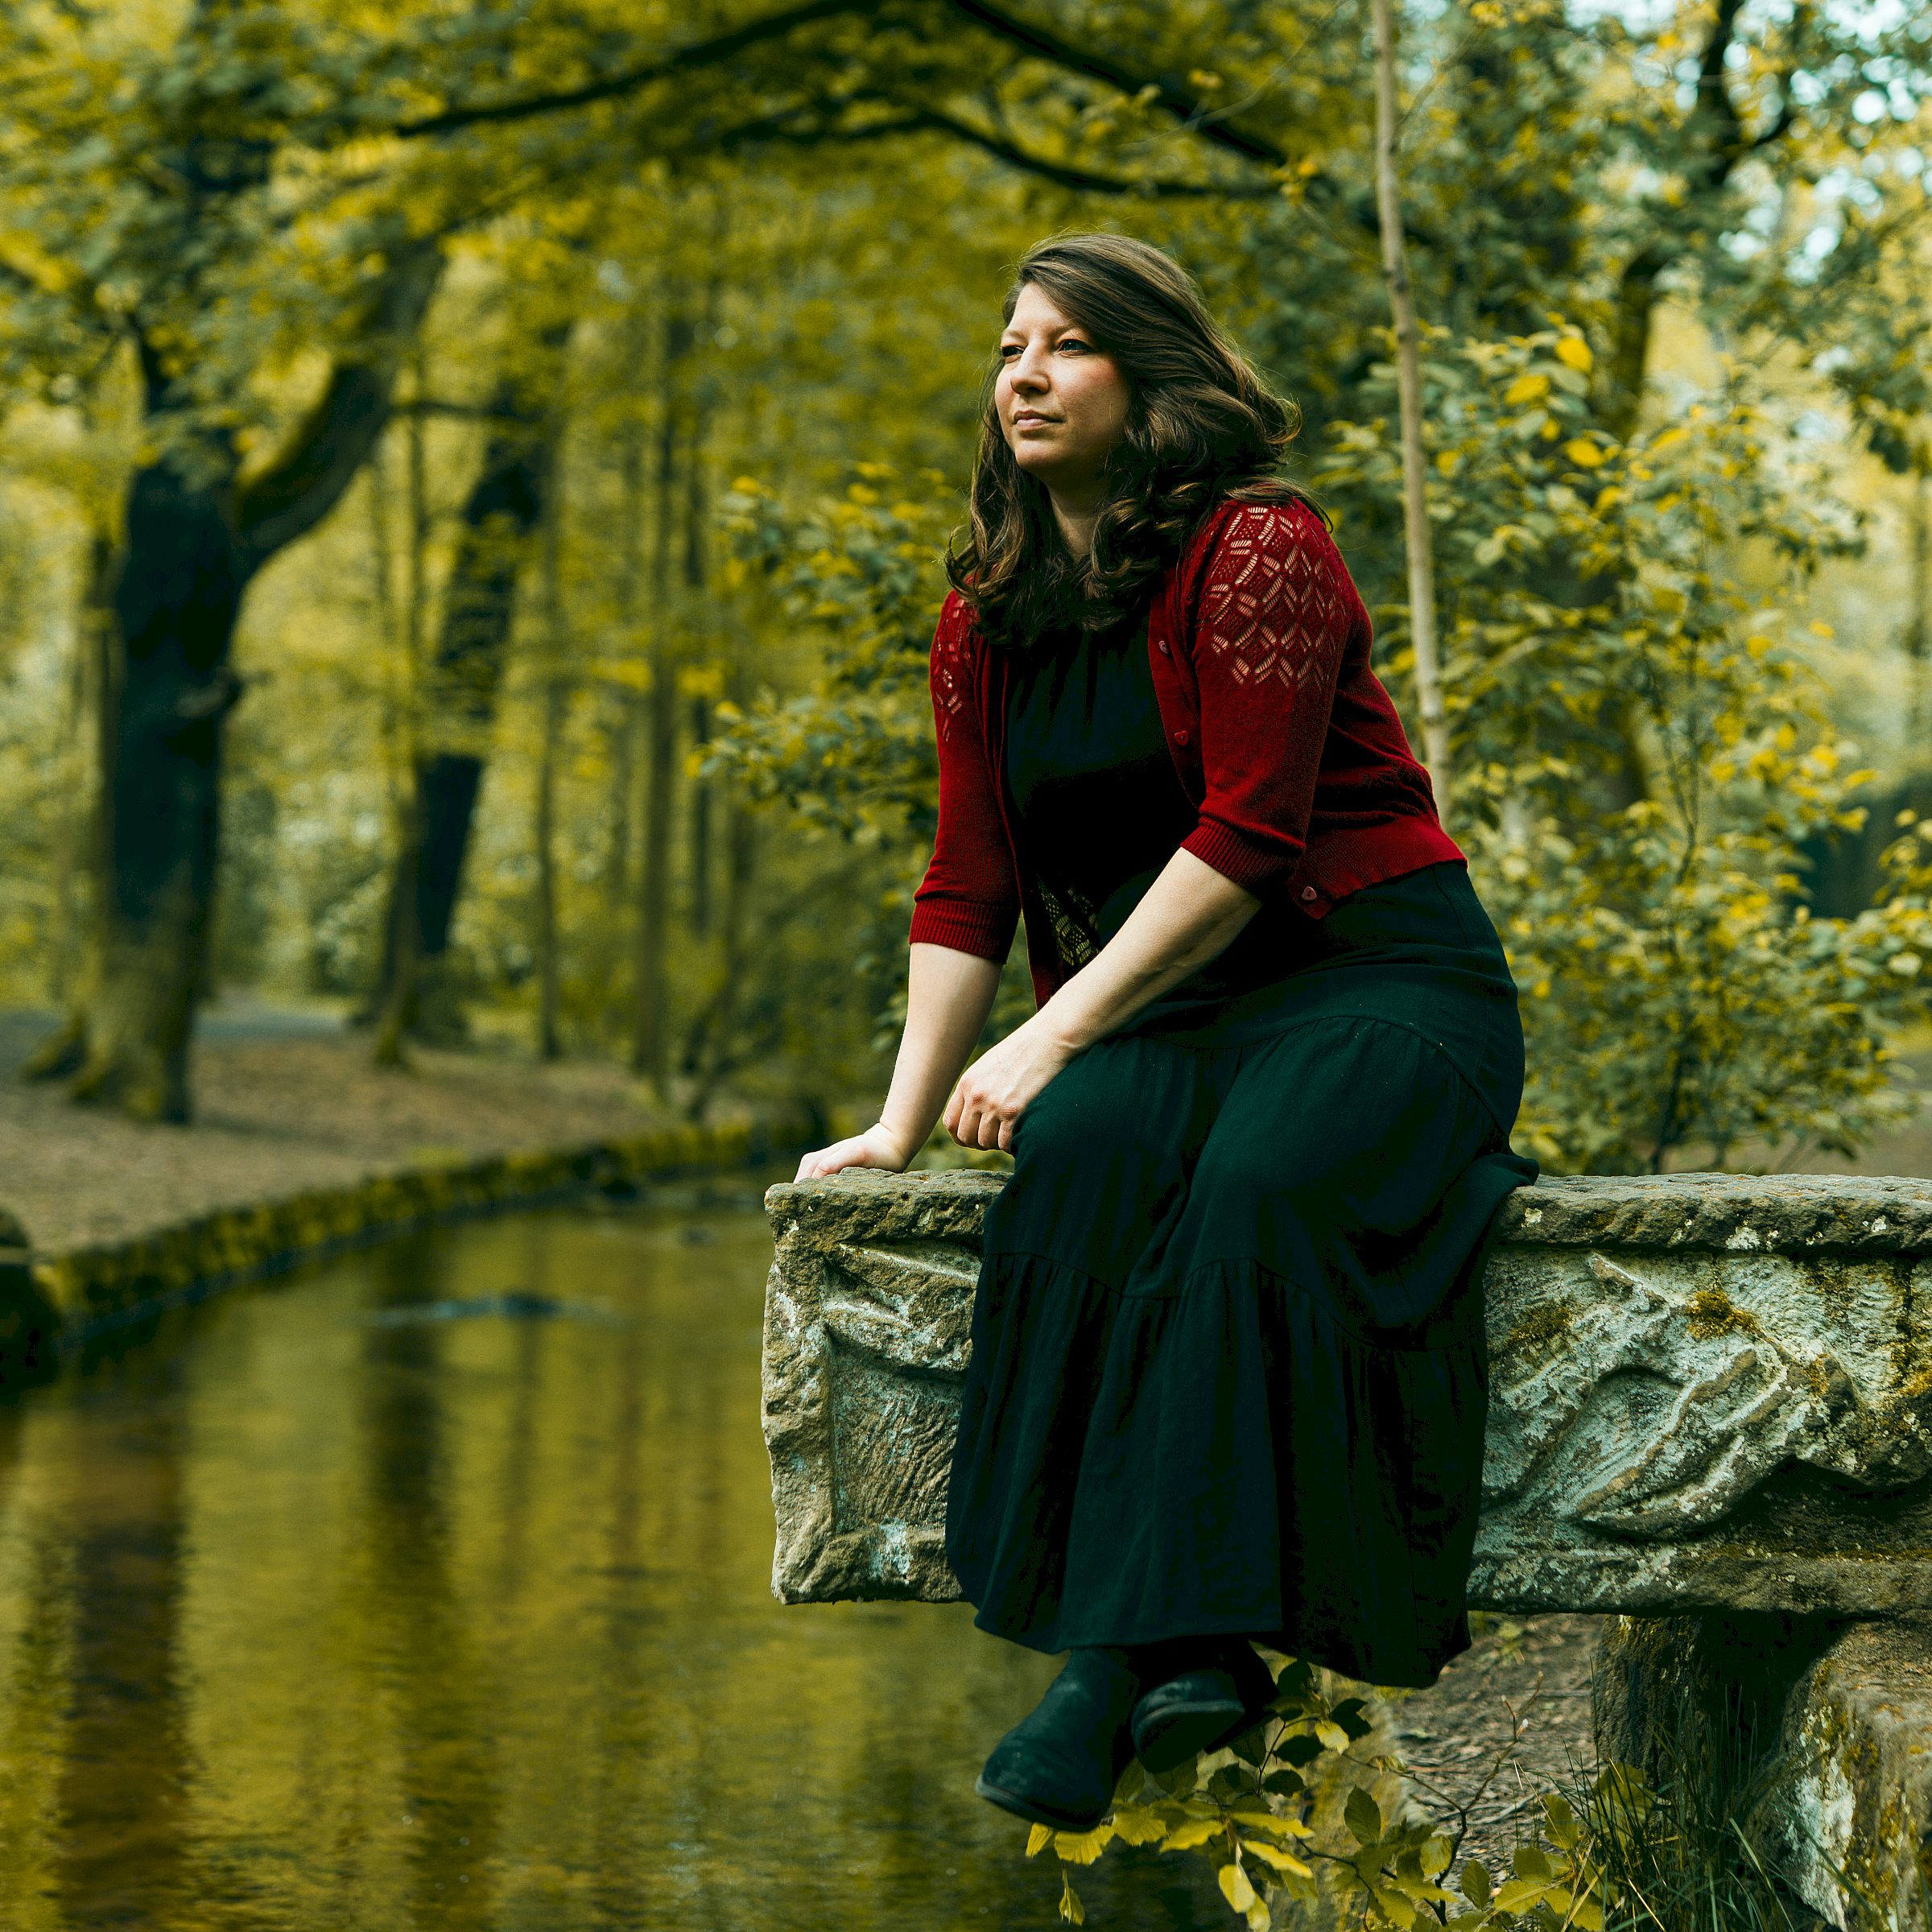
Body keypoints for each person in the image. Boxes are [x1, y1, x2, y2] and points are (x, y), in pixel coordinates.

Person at [794, 233, 1536, 1832]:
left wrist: (1053, 1034)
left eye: (1066, 346)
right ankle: (1190, 1656)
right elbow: (966, 877)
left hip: (1380, 986)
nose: (1024, 375)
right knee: (1083, 1160)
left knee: (1257, 1181)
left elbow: (1253, 836)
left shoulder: (1260, 548)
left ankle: (1108, 1671)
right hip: (1178, 1017)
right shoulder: (984, 620)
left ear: (1150, 378)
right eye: (1008, 349)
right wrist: (906, 1114)